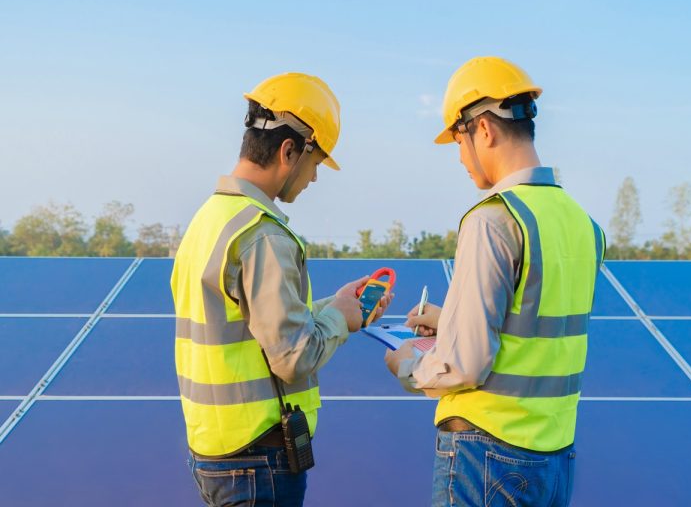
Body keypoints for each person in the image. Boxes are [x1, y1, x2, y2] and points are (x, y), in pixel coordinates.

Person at [385, 57, 605, 507]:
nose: (462, 157)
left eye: (459, 142)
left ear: (483, 129)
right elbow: (536, 330)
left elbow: (464, 363)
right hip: (554, 456)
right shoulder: (584, 225)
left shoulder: (494, 220)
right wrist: (451, 320)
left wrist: (408, 364)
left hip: (486, 455)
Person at [171, 72, 391, 507]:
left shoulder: (210, 219)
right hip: (258, 458)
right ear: (290, 150)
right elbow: (294, 357)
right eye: (316, 163)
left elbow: (248, 323)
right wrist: (342, 320)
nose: (314, 179)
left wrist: (335, 303)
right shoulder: (263, 234)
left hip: (214, 450)